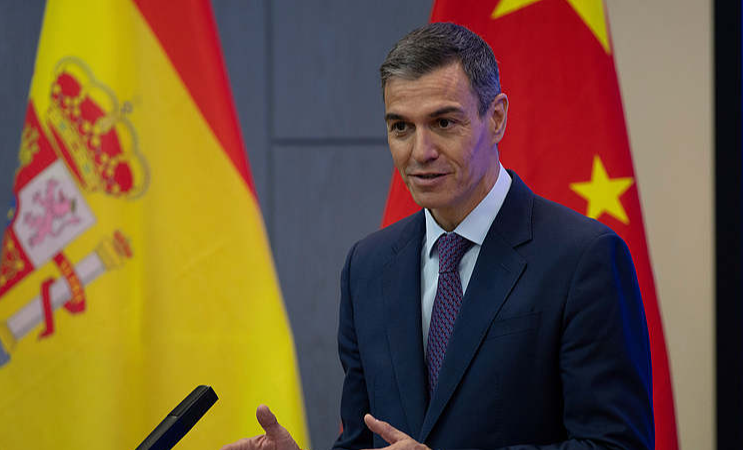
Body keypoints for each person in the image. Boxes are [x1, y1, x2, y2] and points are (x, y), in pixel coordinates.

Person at [221, 22, 654, 450]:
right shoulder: (367, 267)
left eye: (444, 123)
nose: (420, 151)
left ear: (496, 118)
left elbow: (616, 445)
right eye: (400, 128)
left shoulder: (584, 258)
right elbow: (362, 441)